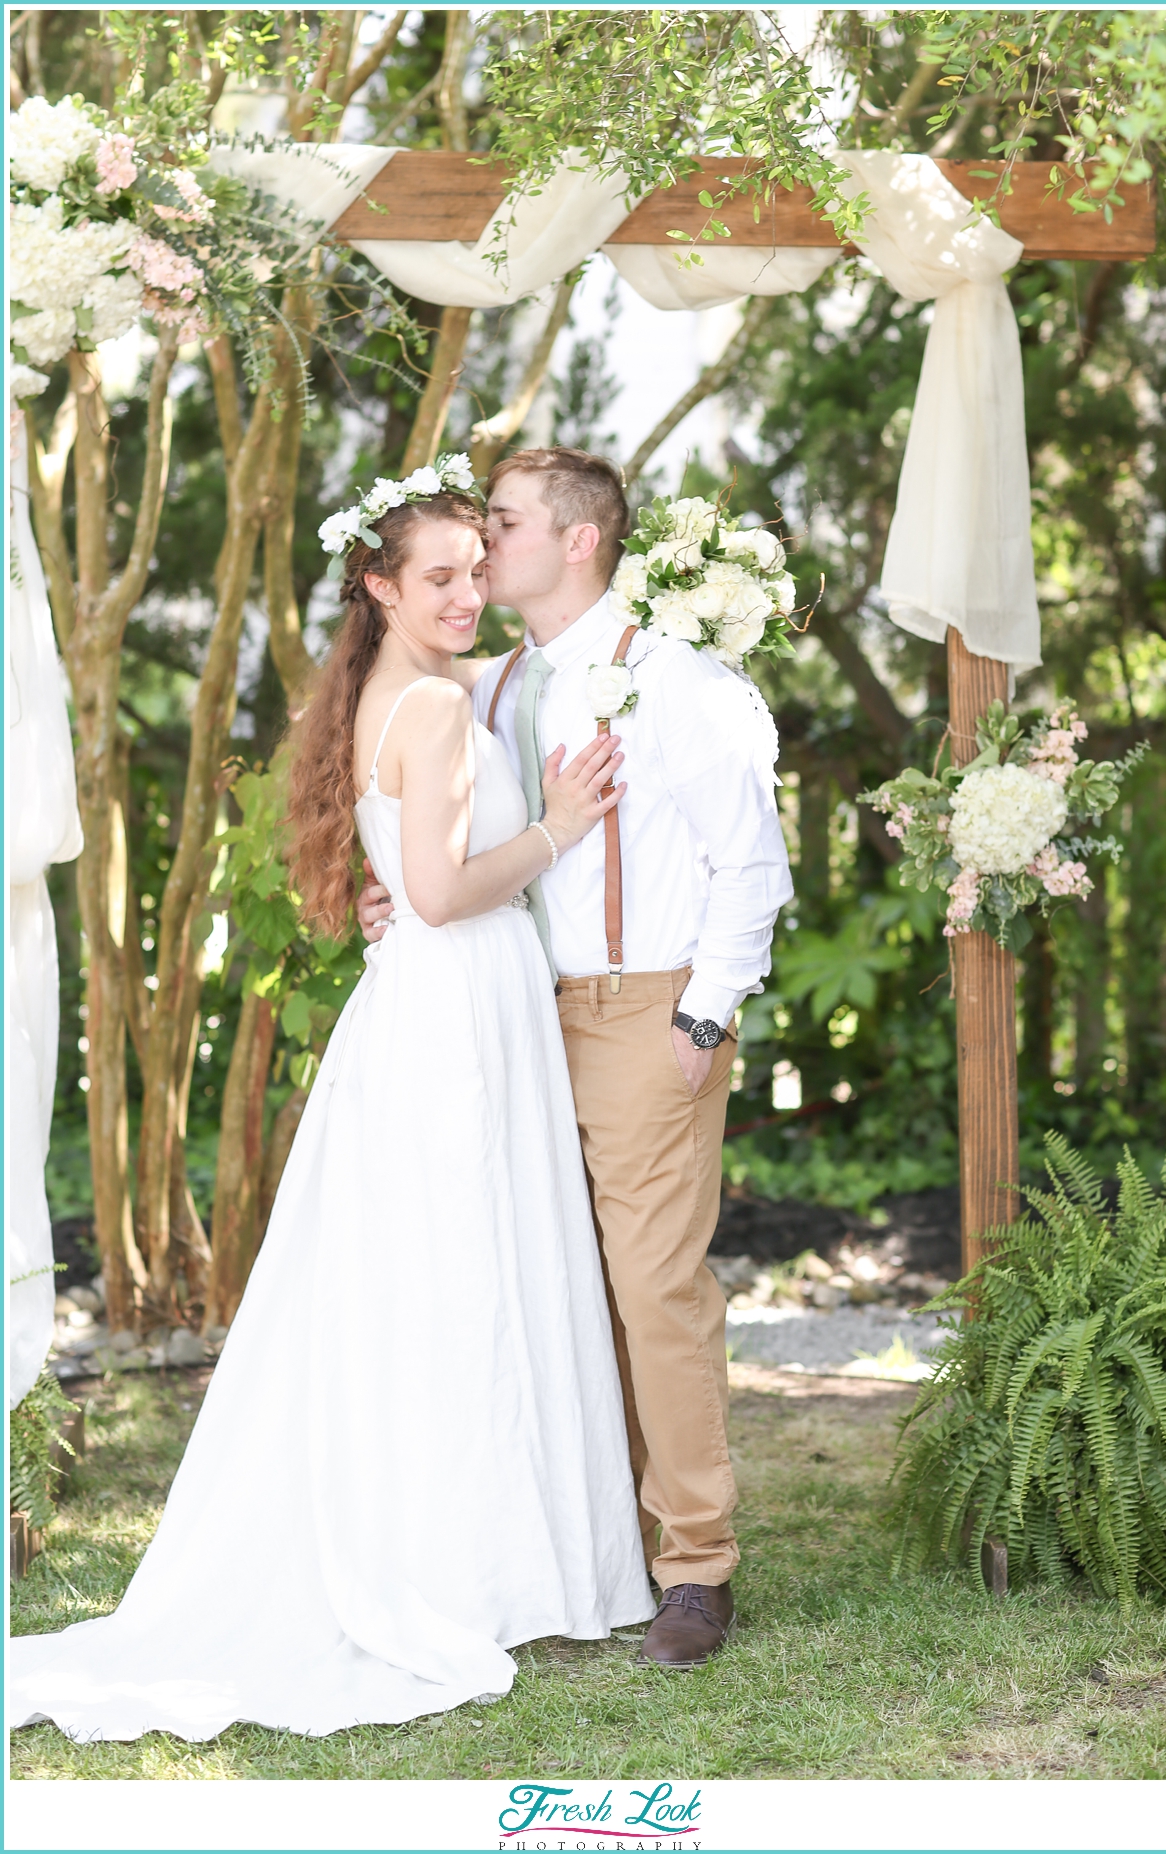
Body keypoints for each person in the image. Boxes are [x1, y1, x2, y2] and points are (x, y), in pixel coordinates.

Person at [10, 475, 656, 1744]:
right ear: (379, 589)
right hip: (455, 1002)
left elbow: (399, 885)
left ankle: (488, 1547)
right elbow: (437, 891)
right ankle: (468, 1563)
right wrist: (564, 829)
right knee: (463, 1272)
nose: (469, 596)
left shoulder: (403, 693)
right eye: (440, 579)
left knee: (445, 1272)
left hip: (440, 1000)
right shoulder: (424, 704)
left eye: (478, 570)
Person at [360, 449, 793, 1668]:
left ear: (581, 540)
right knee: (555, 1281)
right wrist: (399, 899)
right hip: (510, 1015)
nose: (483, 547)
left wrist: (701, 1022)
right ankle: (607, 1539)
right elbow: (458, 841)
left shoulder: (677, 681)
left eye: (502, 524)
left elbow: (751, 867)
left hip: (644, 1012)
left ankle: (697, 1565)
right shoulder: (495, 687)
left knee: (655, 1290)